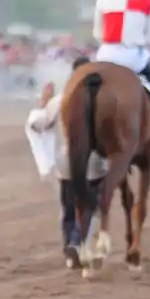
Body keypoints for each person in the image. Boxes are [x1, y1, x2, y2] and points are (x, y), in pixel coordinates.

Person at [28, 56, 108, 261]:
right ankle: (76, 241)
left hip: (67, 164)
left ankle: (71, 250)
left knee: (69, 208)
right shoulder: (103, 102)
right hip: (94, 165)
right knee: (89, 206)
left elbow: (38, 125)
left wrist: (43, 103)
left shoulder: (60, 100)